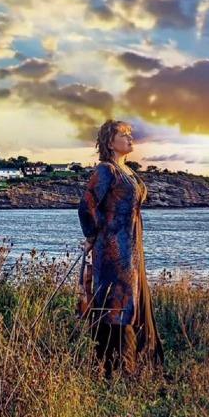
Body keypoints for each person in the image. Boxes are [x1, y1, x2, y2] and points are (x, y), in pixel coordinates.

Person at [78, 119, 165, 378]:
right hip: (113, 249)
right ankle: (116, 369)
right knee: (118, 303)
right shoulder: (107, 170)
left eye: (130, 134)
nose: (130, 139)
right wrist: (92, 235)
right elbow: (87, 206)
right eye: (124, 135)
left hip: (132, 246)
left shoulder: (129, 171)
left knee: (131, 300)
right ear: (109, 142)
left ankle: (131, 365)